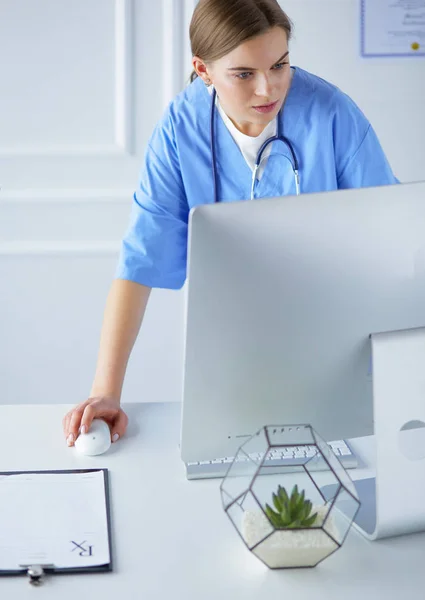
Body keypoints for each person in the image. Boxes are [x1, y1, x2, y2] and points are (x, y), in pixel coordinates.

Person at [63, 0, 398, 446]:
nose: (268, 89)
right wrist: (105, 391)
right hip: (233, 358)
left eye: (280, 65)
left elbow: (394, 236)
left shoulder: (331, 114)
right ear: (204, 71)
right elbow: (140, 262)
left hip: (340, 350)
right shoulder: (180, 130)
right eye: (244, 74)